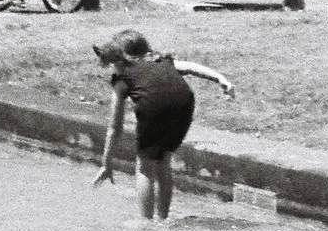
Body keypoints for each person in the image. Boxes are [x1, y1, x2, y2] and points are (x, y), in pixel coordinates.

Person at [91, 28, 233, 221]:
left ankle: (146, 223)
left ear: (119, 58)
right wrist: (220, 78)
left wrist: (106, 164)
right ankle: (163, 218)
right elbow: (192, 67)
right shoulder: (163, 61)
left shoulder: (123, 78)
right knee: (163, 161)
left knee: (144, 167)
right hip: (183, 106)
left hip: (154, 108)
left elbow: (114, 128)